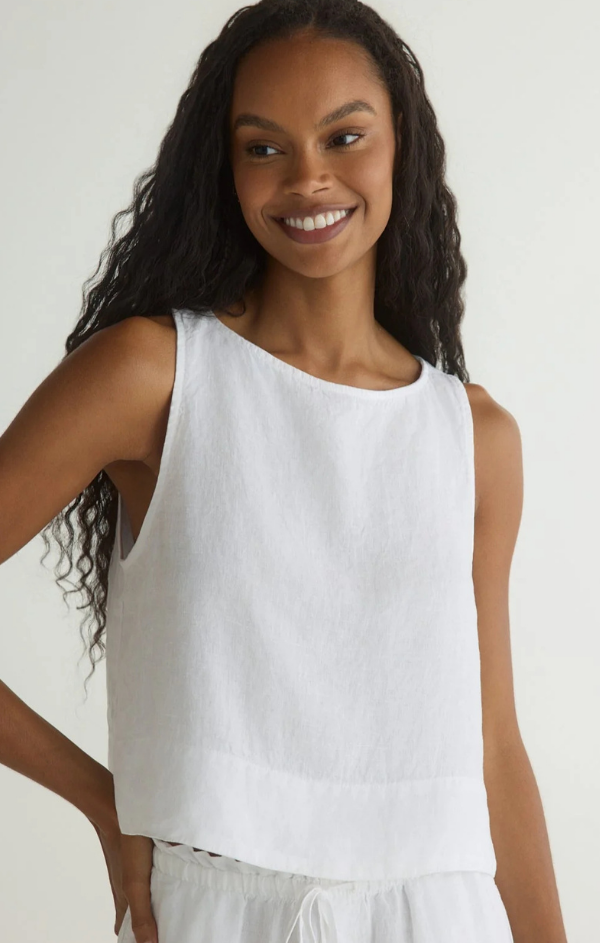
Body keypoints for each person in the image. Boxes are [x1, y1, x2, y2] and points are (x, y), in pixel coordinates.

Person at [0, 1, 570, 941]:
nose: (308, 178)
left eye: (345, 136)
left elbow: (494, 748)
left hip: (442, 909)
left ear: (401, 147)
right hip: (216, 908)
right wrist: (104, 801)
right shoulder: (154, 376)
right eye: (264, 148)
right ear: (223, 168)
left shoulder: (474, 437)